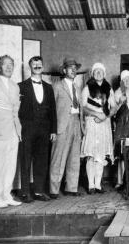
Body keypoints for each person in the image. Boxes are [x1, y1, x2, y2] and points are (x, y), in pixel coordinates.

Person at [18, 56, 57, 203]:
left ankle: (39, 191)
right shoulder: (21, 86)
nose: (37, 66)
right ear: (30, 66)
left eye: (39, 64)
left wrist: (53, 130)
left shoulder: (48, 87)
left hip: (44, 131)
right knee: (26, 160)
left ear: (42, 66)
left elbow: (53, 111)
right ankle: (25, 193)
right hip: (27, 130)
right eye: (34, 64)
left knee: (41, 161)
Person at [0, 55, 22, 208]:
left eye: (11, 64)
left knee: (10, 166)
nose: (9, 67)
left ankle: (6, 194)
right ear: (0, 67)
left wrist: (18, 130)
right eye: (6, 64)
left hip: (13, 131)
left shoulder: (16, 87)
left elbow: (16, 110)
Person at [49, 58, 83, 198]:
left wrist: (82, 126)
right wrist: (53, 129)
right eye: (70, 67)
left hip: (76, 122)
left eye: (75, 68)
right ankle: (54, 190)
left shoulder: (77, 87)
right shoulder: (57, 86)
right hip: (62, 125)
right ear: (64, 70)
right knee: (58, 158)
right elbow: (51, 109)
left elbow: (81, 108)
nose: (73, 70)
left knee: (74, 158)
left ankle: (71, 188)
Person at [81, 63, 116, 194]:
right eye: (96, 71)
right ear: (92, 73)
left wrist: (104, 116)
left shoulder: (109, 88)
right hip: (91, 122)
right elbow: (83, 107)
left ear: (104, 73)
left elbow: (114, 107)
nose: (98, 73)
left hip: (104, 123)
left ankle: (98, 185)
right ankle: (90, 185)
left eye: (101, 71)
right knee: (91, 154)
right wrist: (96, 114)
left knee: (100, 154)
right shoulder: (87, 88)